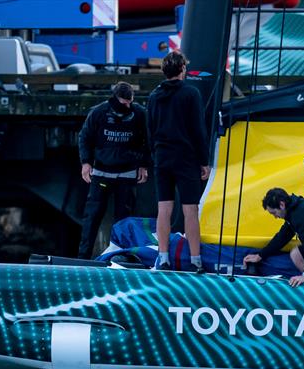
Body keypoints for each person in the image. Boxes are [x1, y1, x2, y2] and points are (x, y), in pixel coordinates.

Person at [147, 51, 210, 273]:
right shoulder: (191, 94)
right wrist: (204, 161)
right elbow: (197, 130)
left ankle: (162, 258)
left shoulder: (154, 96)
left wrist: (155, 155)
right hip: (186, 158)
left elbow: (150, 129)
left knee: (163, 209)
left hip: (162, 158)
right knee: (190, 210)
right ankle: (195, 260)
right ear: (182, 69)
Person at [77, 81, 149, 259]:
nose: (128, 106)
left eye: (130, 102)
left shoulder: (140, 113)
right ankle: (82, 258)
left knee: (124, 220)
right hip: (101, 173)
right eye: (124, 103)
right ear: (115, 99)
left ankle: (120, 257)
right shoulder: (99, 112)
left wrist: (144, 165)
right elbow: (84, 137)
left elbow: (150, 140)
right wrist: (86, 163)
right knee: (92, 218)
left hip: (127, 174)